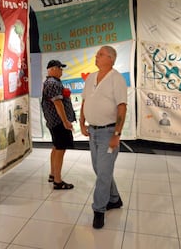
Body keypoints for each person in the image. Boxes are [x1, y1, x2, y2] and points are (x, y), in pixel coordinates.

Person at [80, 45, 127, 229]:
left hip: (108, 133)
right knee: (100, 170)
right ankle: (114, 199)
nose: (96, 56)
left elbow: (122, 107)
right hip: (93, 131)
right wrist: (82, 122)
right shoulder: (91, 77)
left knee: (103, 173)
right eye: (97, 54)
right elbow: (85, 100)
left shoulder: (117, 79)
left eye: (100, 54)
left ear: (111, 58)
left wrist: (117, 134)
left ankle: (99, 210)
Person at [41, 60, 76, 190]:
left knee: (56, 147)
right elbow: (58, 104)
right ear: (53, 69)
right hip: (59, 122)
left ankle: (52, 174)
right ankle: (58, 180)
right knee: (60, 149)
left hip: (55, 122)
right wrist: (66, 121)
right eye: (60, 68)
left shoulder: (51, 83)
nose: (62, 71)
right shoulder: (52, 83)